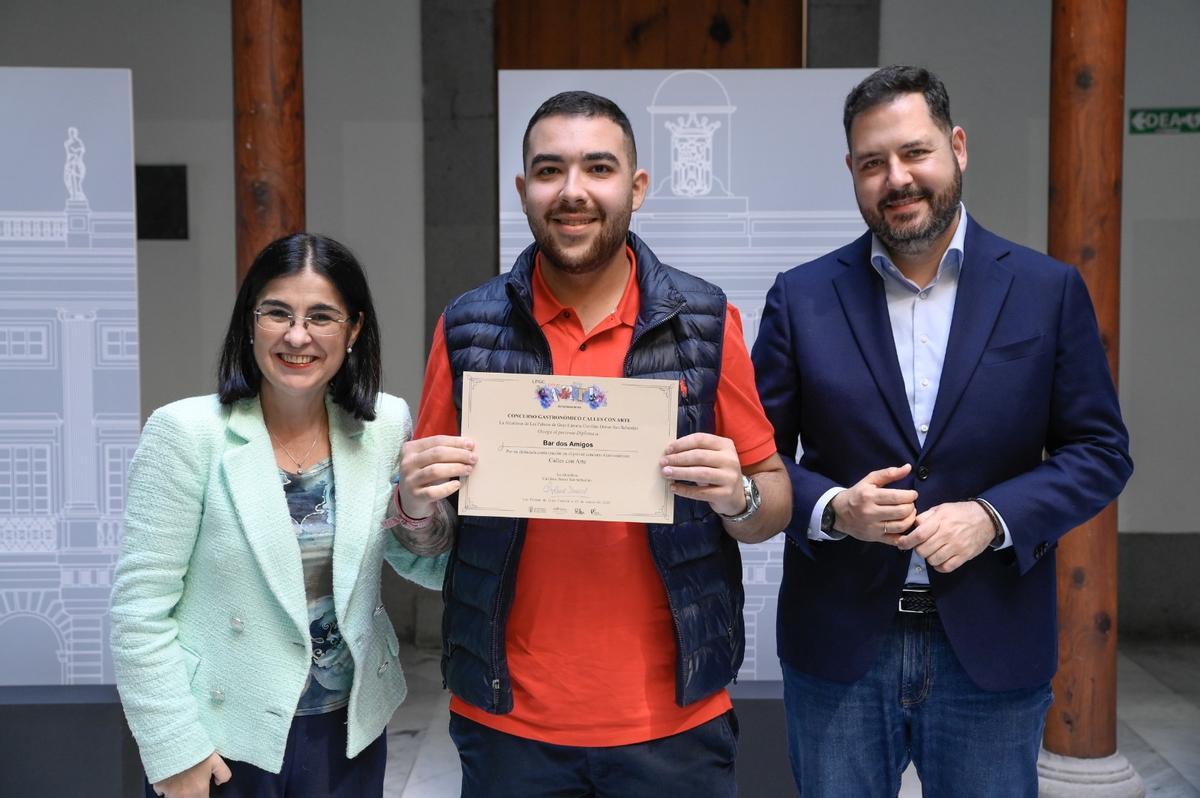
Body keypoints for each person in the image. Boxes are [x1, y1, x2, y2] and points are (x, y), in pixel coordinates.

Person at [752, 65, 1133, 796]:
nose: (897, 178)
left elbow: (1100, 451)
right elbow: (757, 455)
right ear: (852, 172)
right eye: (873, 162)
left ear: (957, 147)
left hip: (991, 647)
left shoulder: (1046, 290)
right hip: (838, 647)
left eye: (914, 152)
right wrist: (835, 508)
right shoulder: (802, 297)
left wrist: (993, 517)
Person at [398, 90, 791, 797]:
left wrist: (739, 496)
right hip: (508, 721)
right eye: (550, 170)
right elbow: (430, 535)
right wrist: (414, 506)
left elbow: (773, 502)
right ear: (523, 188)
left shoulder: (704, 320)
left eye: (598, 168)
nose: (572, 191)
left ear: (635, 188)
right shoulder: (467, 326)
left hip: (674, 722)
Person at [110, 233, 450, 798]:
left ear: (354, 329)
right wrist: (174, 748)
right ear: (250, 323)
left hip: (348, 731)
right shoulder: (186, 434)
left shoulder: (384, 425)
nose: (297, 335)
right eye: (277, 313)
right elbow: (139, 609)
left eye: (321, 316)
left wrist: (415, 509)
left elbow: (426, 570)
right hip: (222, 736)